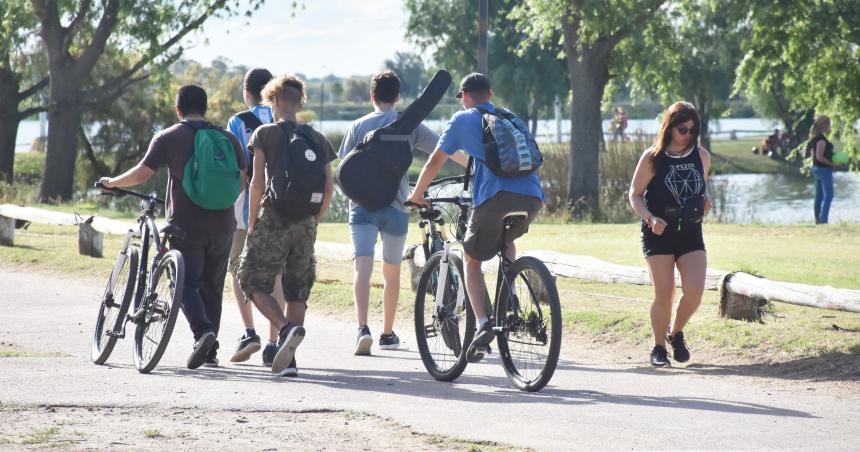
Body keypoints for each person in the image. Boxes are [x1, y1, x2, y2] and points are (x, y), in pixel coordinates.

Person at [99, 85, 246, 369]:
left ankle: (202, 333)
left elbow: (143, 172)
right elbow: (242, 179)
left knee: (185, 284)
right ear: (204, 108)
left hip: (186, 225)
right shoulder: (227, 138)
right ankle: (210, 349)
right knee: (212, 287)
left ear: (178, 109)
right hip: (224, 223)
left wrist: (113, 182)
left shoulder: (169, 136)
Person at [407, 73, 545, 363]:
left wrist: (418, 194)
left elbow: (435, 160)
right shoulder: (509, 118)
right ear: (491, 94)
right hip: (532, 197)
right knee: (507, 239)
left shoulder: (462, 119)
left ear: (465, 97)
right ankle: (511, 298)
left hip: (495, 198)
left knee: (471, 261)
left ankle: (483, 323)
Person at [338, 71, 464, 355]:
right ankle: (386, 333)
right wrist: (473, 164)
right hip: (396, 208)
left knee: (363, 267)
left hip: (361, 209)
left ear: (372, 96)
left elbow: (343, 171)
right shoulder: (411, 124)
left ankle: (362, 329)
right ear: (397, 97)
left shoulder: (357, 126)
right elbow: (444, 149)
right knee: (391, 272)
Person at [237, 74, 336, 377]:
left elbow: (257, 183)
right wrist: (313, 220)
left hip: (274, 218)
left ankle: (284, 329)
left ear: (276, 100)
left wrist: (252, 221)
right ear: (300, 102)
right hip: (306, 223)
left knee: (249, 278)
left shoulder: (265, 133)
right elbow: (329, 187)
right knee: (297, 290)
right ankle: (289, 361)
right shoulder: (317, 138)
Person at [628, 101, 713, 367]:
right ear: (669, 127)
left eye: (693, 129)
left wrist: (706, 201)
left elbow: (702, 189)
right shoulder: (653, 157)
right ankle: (658, 348)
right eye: (682, 129)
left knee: (695, 291)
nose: (688, 134)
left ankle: (675, 332)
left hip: (690, 232)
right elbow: (634, 194)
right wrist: (650, 218)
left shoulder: (701, 156)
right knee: (664, 294)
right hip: (658, 232)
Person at [224, 68, 289, 367]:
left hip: (245, 206)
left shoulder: (238, 122)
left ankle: (249, 331)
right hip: (282, 206)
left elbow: (237, 169)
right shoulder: (283, 119)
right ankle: (274, 342)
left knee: (238, 267)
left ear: (246, 92)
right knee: (276, 273)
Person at [807, 115, 837, 224]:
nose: (830, 127)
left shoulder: (816, 138)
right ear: (824, 125)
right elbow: (819, 157)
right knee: (829, 195)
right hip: (823, 169)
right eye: (829, 124)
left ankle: (817, 219)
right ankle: (823, 220)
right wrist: (832, 164)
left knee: (819, 196)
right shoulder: (821, 140)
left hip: (817, 169)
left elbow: (817, 156)